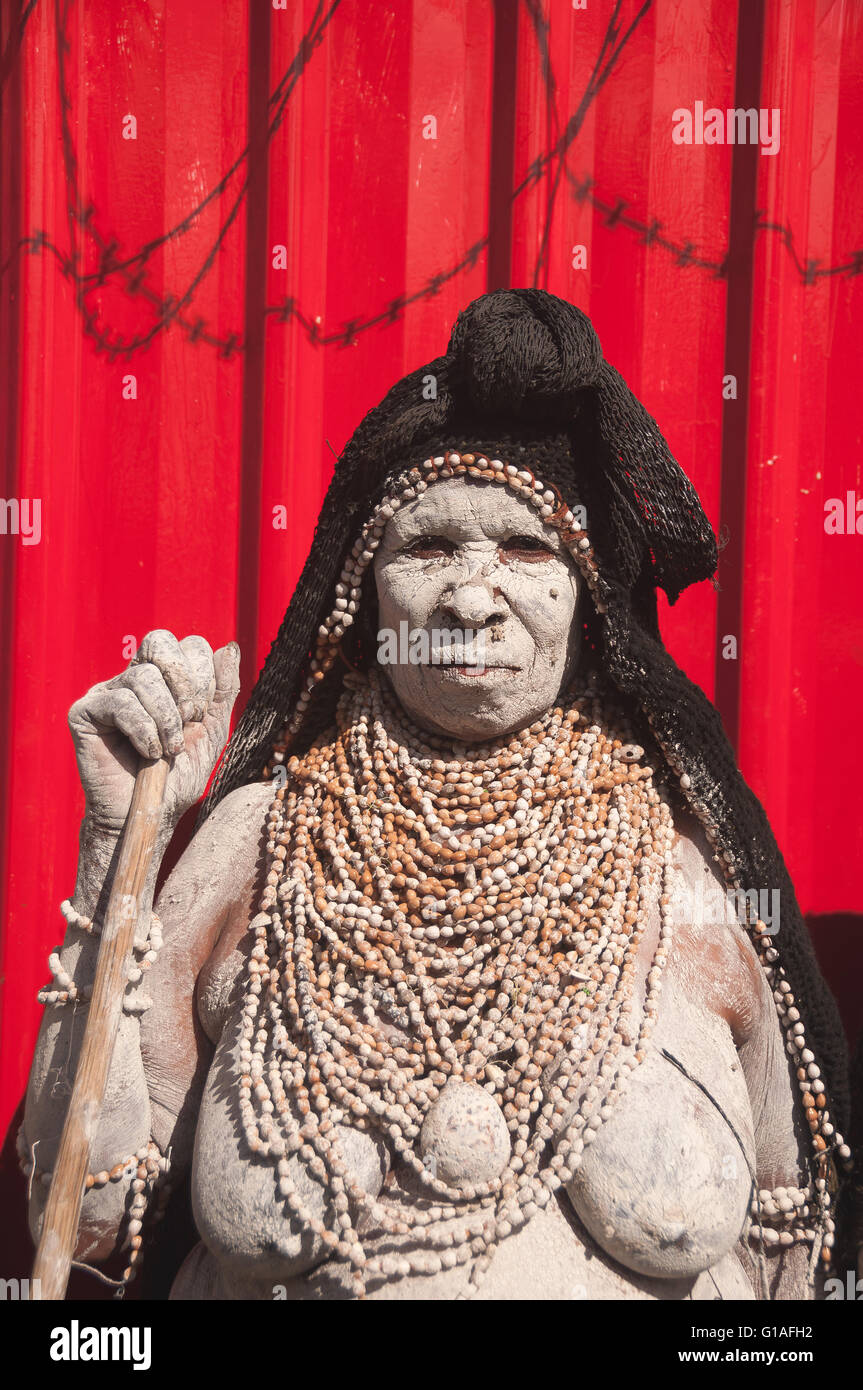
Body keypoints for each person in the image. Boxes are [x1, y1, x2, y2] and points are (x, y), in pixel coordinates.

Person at [22, 289, 851, 1300]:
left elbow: (788, 1265)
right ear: (364, 592)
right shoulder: (260, 845)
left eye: (525, 547)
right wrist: (119, 841)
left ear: (585, 595)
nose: (469, 595)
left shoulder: (680, 874)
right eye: (425, 547)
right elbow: (90, 1216)